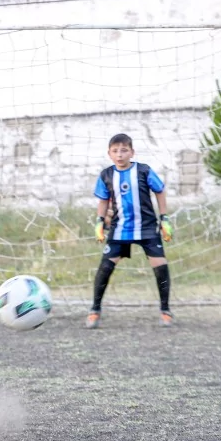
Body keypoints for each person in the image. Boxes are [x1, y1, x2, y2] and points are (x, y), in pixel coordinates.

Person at [87, 133, 173, 329]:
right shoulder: (106, 175)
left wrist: (164, 218)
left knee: (160, 267)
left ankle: (165, 310)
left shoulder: (143, 170)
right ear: (109, 154)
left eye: (124, 150)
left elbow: (160, 191)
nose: (120, 155)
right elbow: (103, 200)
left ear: (132, 152)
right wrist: (99, 222)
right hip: (119, 229)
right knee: (105, 268)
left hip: (147, 227)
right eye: (115, 151)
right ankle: (94, 310)